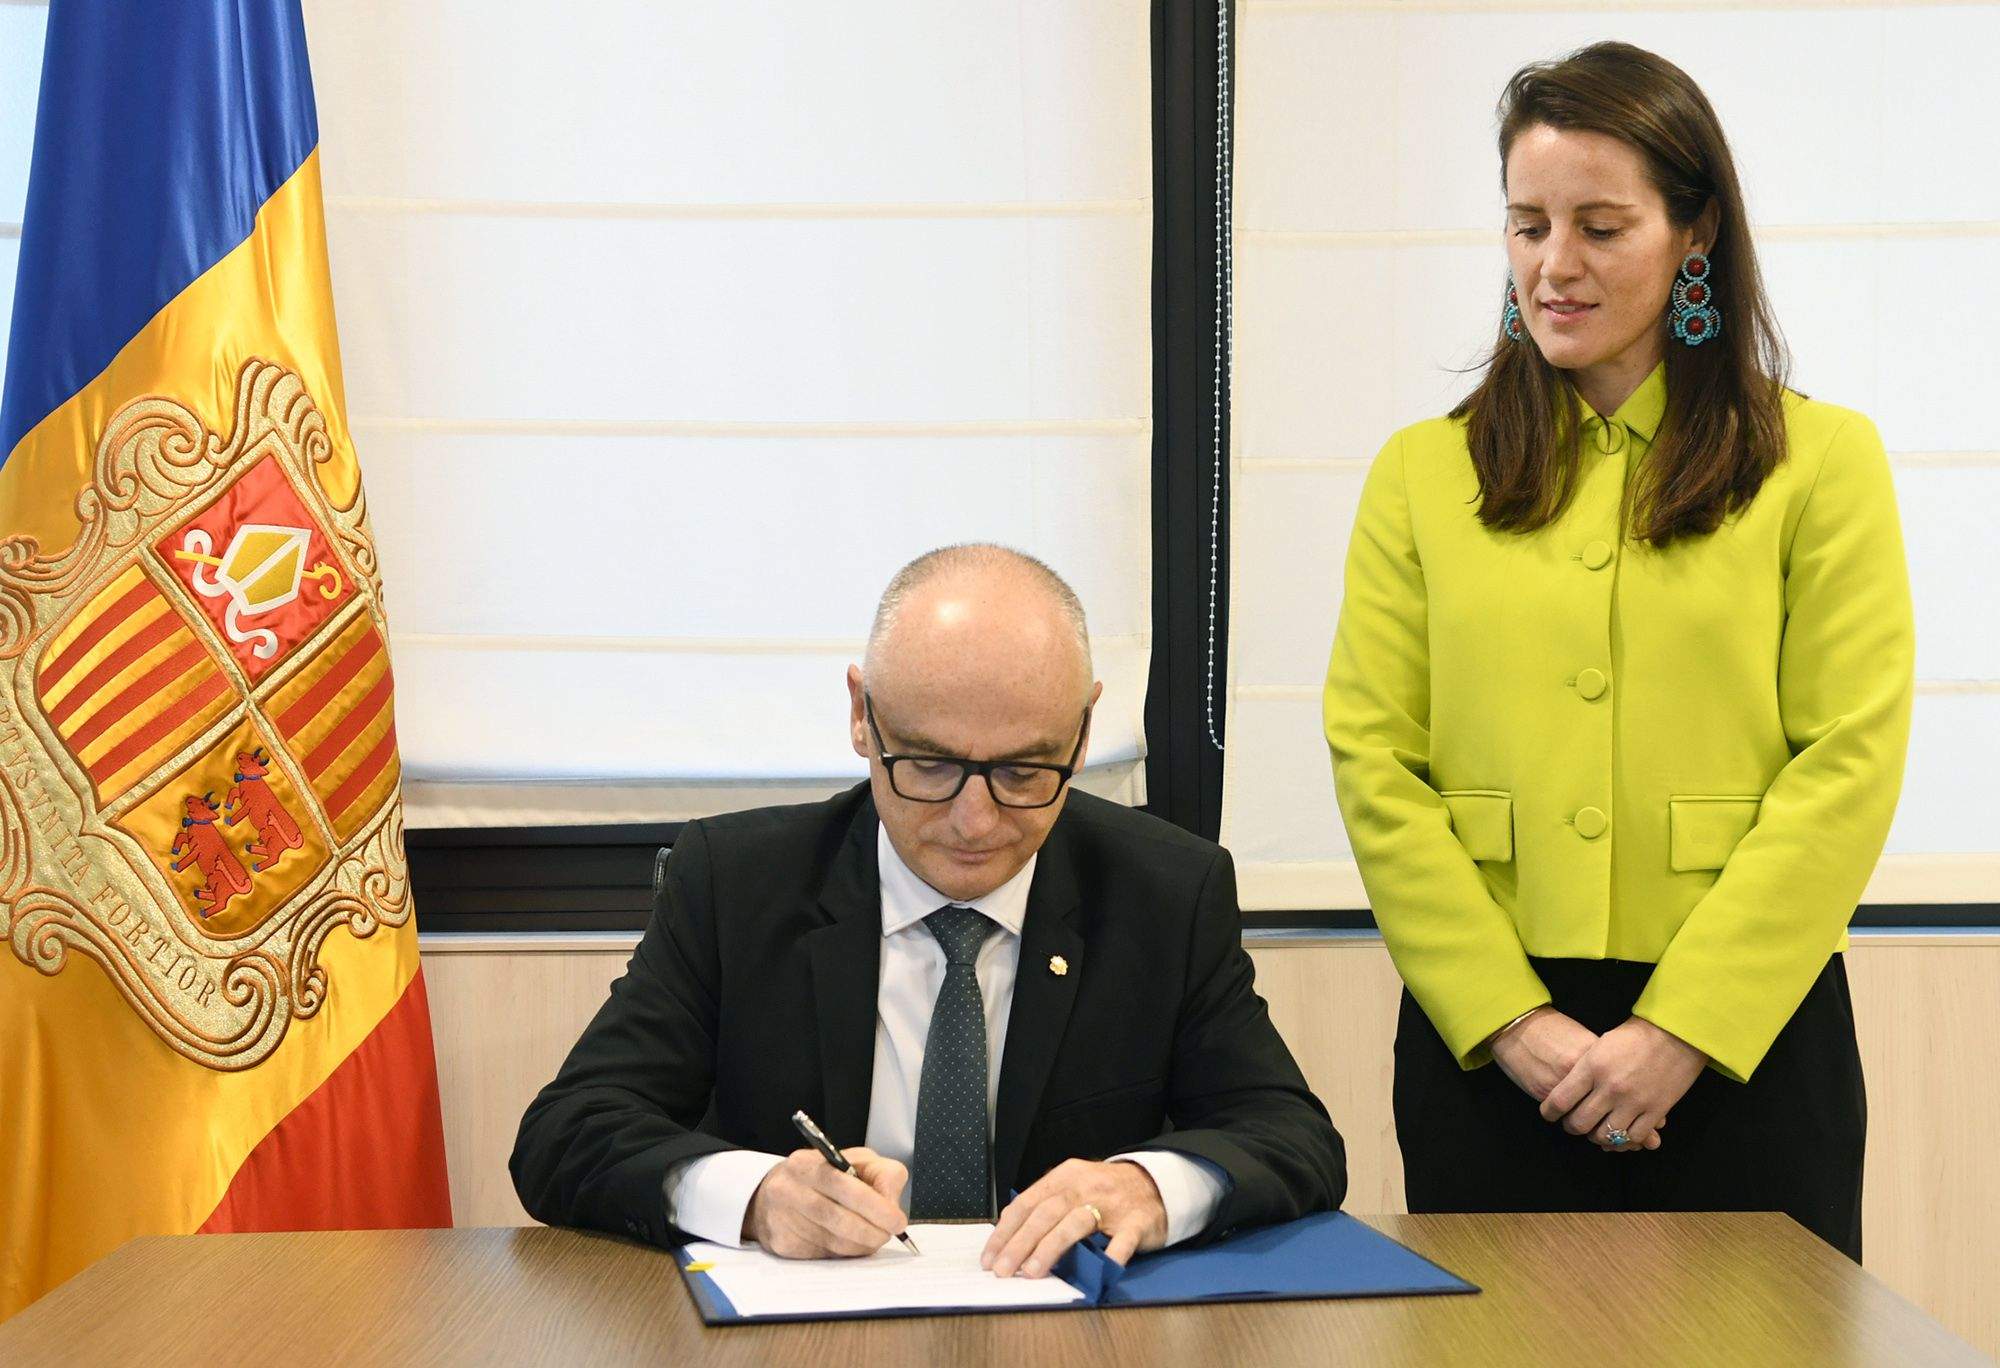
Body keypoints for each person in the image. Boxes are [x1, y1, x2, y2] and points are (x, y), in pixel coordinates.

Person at [1322, 41, 1911, 1262]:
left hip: (1744, 1037)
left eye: (1599, 225)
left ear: (1693, 233)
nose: (1554, 265)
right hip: (1489, 1050)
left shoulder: (1822, 462)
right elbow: (1374, 763)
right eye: (1526, 224)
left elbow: (1845, 762)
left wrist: (1681, 1030)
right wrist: (1509, 1020)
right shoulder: (1420, 473)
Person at [514, 544, 1345, 1277]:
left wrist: (1145, 1187)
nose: (974, 821)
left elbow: (1289, 1133)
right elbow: (567, 1134)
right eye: (928, 765)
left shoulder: (1166, 890)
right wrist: (759, 1193)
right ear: (860, 716)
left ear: (1084, 732)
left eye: (1024, 771)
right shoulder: (736, 883)